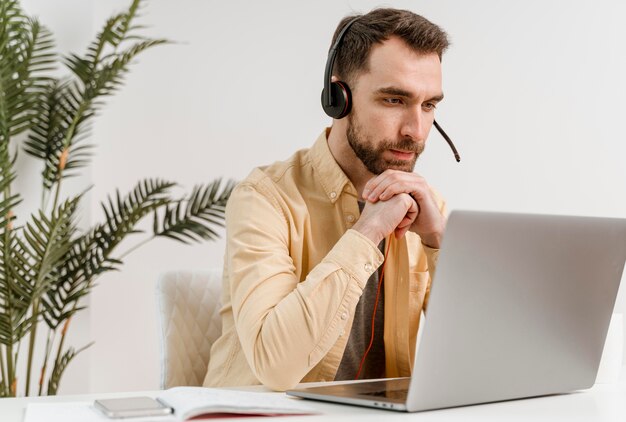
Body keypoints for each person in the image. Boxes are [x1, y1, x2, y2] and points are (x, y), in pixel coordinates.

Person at [204, 8, 450, 391]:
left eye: (429, 105)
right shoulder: (266, 198)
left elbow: (487, 357)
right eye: (393, 100)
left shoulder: (426, 208)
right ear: (339, 98)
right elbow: (276, 367)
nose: (416, 130)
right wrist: (369, 230)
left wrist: (440, 243)